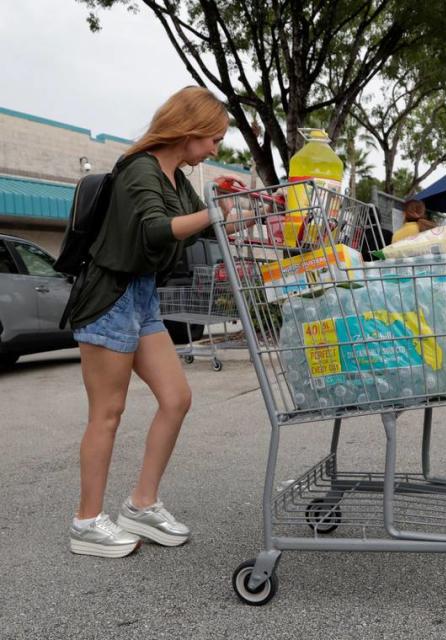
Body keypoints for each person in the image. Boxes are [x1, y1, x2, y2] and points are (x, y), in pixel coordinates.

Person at [68, 86, 250, 558]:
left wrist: (242, 214)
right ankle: (86, 522)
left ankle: (141, 504)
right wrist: (211, 214)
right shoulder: (141, 168)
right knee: (107, 414)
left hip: (144, 297)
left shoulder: (175, 176)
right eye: (212, 139)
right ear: (188, 131)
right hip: (111, 295)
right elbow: (154, 229)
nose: (214, 148)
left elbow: (197, 223)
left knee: (177, 397)